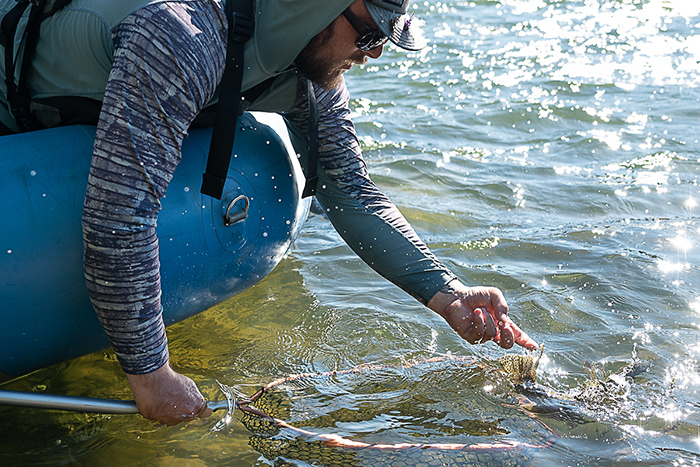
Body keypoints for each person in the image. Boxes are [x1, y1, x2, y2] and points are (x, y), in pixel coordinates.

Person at [0, 0, 538, 426]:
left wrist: (446, 294)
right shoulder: (179, 36)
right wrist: (150, 373)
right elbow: (119, 220)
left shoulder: (310, 74)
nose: (374, 54)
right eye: (370, 34)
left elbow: (351, 191)